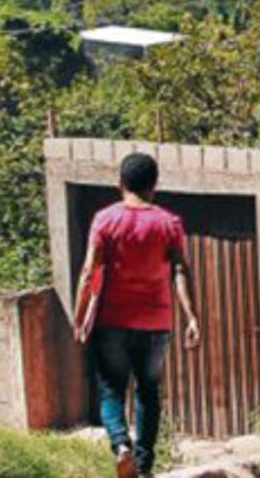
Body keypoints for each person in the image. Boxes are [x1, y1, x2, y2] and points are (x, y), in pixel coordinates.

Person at [73, 152, 200, 478]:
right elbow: (180, 271)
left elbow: (89, 270)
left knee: (111, 390)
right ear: (154, 186)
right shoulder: (169, 223)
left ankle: (120, 445)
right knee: (148, 392)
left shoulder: (105, 220)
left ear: (120, 183)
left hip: (111, 322)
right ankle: (143, 467)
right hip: (156, 325)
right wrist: (191, 316)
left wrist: (79, 315)